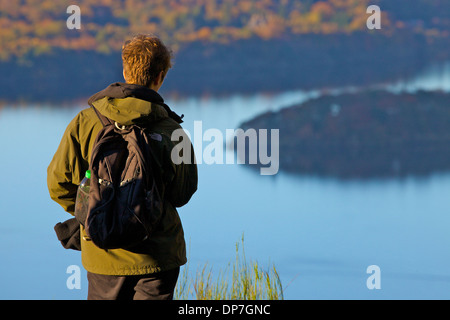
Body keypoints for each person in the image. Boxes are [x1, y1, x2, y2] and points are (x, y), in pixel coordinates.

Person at [47, 34, 198, 300]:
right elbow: (182, 194)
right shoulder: (173, 131)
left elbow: (58, 183)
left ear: (125, 70)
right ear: (160, 76)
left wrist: (96, 211)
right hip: (157, 257)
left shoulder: (85, 121)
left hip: (102, 255)